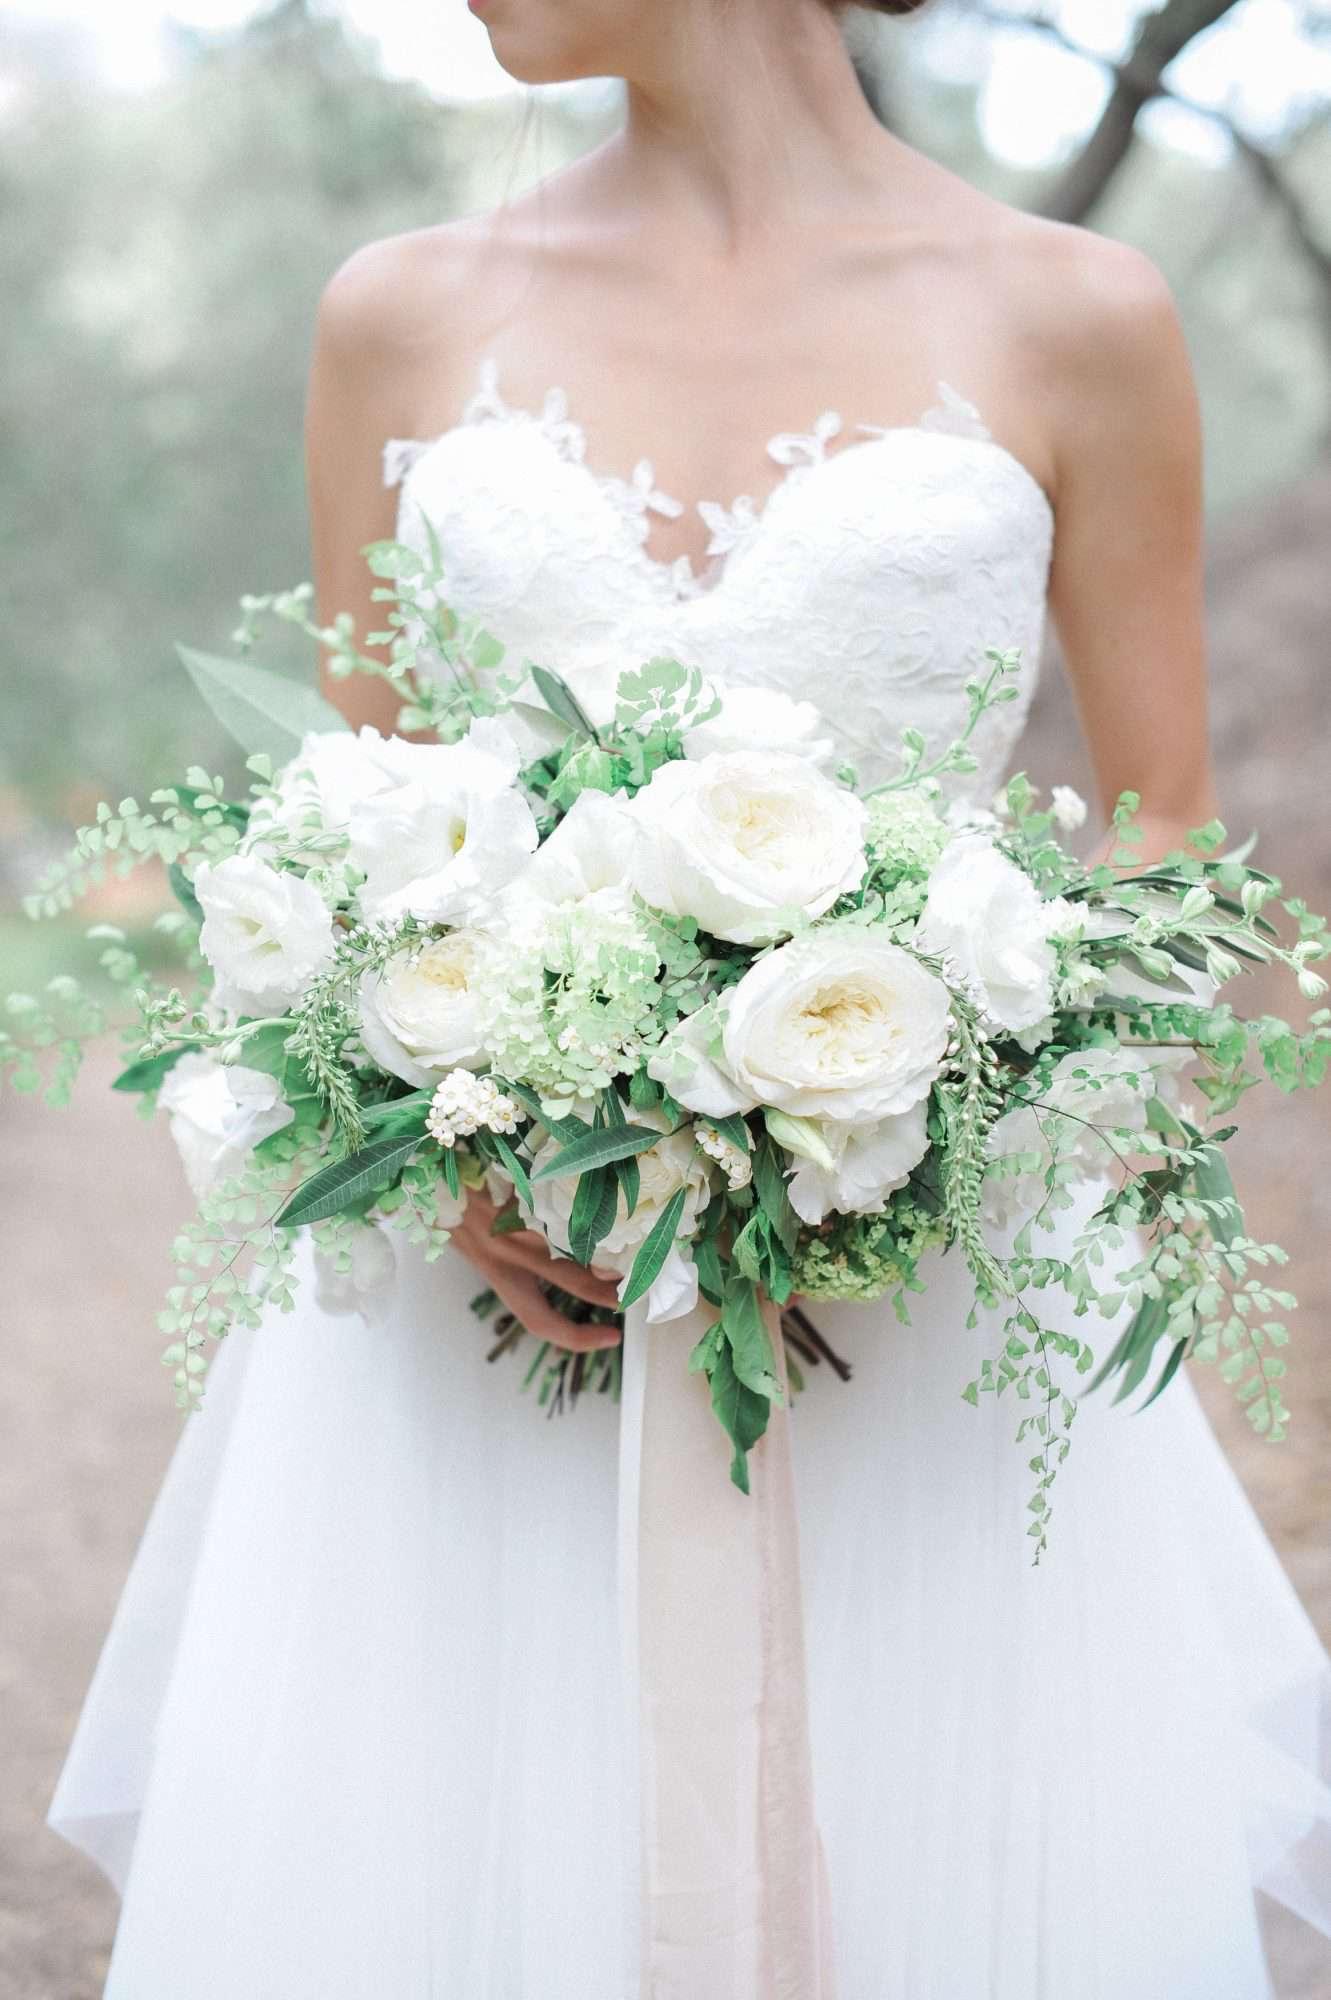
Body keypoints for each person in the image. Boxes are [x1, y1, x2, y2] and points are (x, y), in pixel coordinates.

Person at [49, 2, 1331, 1993]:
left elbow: (1164, 822)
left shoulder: (1080, 316)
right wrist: (431, 1144)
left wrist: (934, 1128)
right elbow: (352, 820)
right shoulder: (398, 316)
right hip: (489, 1334)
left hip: (926, 1324)